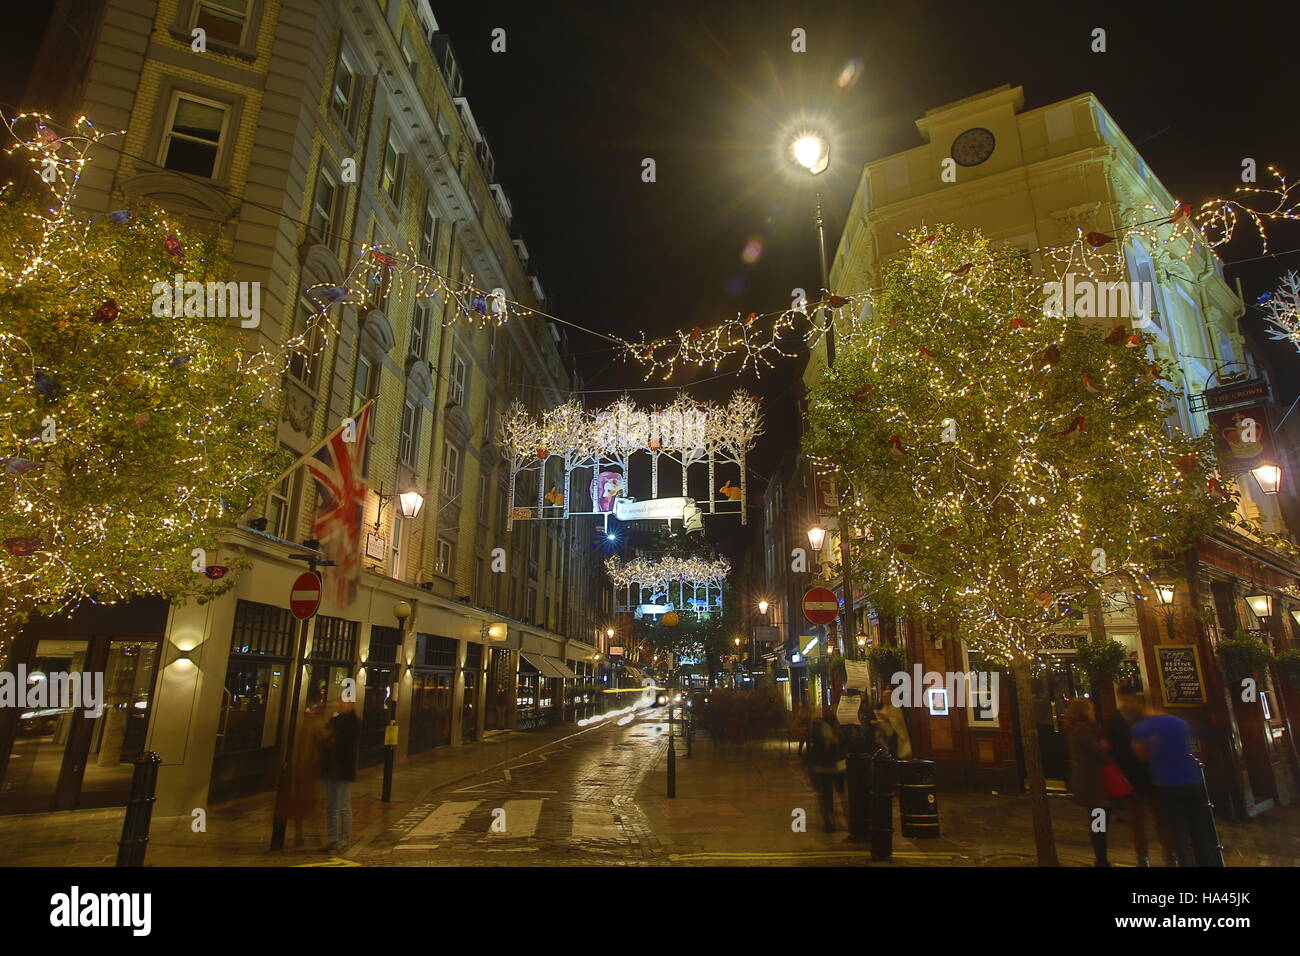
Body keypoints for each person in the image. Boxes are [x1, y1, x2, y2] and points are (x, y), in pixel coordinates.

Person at [1131, 701, 1215, 866]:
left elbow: (1142, 755)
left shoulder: (1141, 728)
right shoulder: (1179, 722)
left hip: (1166, 783)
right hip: (1191, 781)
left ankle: (1184, 862)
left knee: (1177, 833)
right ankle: (1205, 861)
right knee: (1198, 831)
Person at [1106, 693, 1167, 866]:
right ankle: (1142, 856)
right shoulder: (1115, 722)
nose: (1129, 702)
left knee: (1161, 817)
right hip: (1131, 778)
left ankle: (1169, 853)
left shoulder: (1146, 719)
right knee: (1137, 820)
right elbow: (1114, 749)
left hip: (1153, 776)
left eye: (1132, 699)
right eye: (1127, 699)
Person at [1065, 697, 1111, 866]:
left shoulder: (1074, 728)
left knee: (1097, 820)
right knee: (1099, 821)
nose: (1094, 712)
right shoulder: (1083, 729)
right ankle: (1101, 858)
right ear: (1084, 711)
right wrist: (1104, 746)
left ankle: (1101, 857)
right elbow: (1098, 753)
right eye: (1091, 709)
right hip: (1093, 783)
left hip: (1088, 781)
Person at [320, 698, 361, 853]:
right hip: (330, 768)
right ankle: (333, 839)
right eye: (339, 702)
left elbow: (347, 743)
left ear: (351, 705)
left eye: (344, 703)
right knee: (330, 806)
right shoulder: (334, 720)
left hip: (344, 770)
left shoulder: (354, 722)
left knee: (343, 805)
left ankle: (344, 839)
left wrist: (333, 739)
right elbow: (323, 738)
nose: (340, 705)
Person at [285, 702, 327, 848]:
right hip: (311, 770)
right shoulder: (316, 726)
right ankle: (312, 834)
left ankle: (300, 833)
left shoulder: (303, 725)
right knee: (313, 803)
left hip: (301, 770)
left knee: (301, 803)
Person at [803, 709, 847, 832]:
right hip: (830, 766)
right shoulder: (830, 728)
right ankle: (832, 819)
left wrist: (807, 764)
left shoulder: (814, 729)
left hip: (822, 767)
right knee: (831, 793)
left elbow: (810, 748)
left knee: (825, 794)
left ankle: (829, 820)